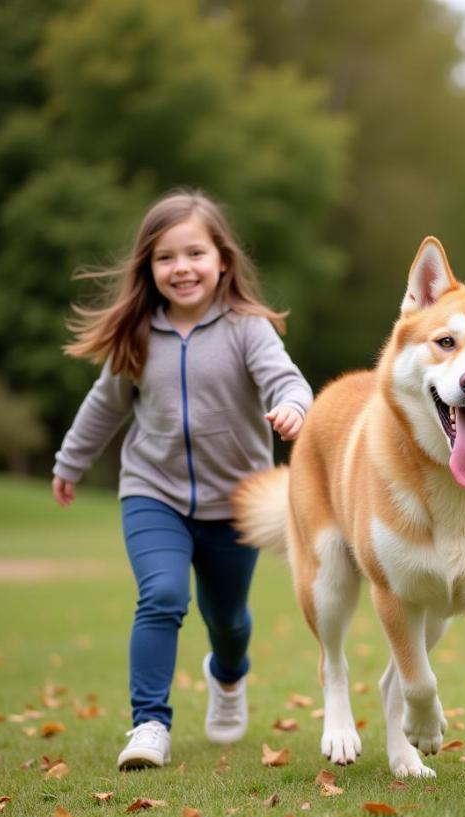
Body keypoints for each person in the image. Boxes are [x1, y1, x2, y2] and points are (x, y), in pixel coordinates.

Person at [52, 189, 313, 767]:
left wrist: (295, 409)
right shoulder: (139, 333)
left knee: (228, 620)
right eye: (165, 257)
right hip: (153, 493)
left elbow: (287, 381)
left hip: (236, 503)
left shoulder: (248, 329)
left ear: (222, 259)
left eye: (194, 253)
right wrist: (69, 462)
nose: (181, 268)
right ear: (149, 268)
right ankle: (149, 725)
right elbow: (104, 405)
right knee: (162, 596)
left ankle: (227, 677)